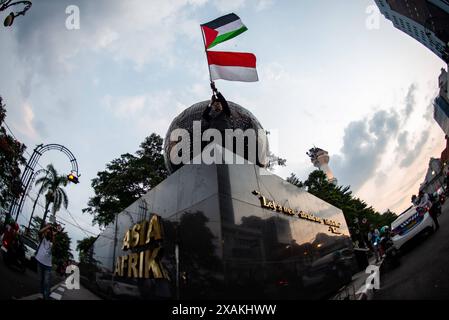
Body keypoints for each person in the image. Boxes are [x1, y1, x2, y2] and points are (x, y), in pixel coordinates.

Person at [35, 223, 60, 300]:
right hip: (39, 262)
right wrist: (47, 227)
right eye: (46, 232)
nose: (48, 232)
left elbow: (53, 238)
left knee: (46, 282)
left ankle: (46, 297)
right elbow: (39, 232)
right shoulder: (42, 239)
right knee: (41, 280)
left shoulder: (51, 242)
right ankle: (42, 294)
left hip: (47, 266)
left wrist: (56, 232)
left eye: (49, 232)